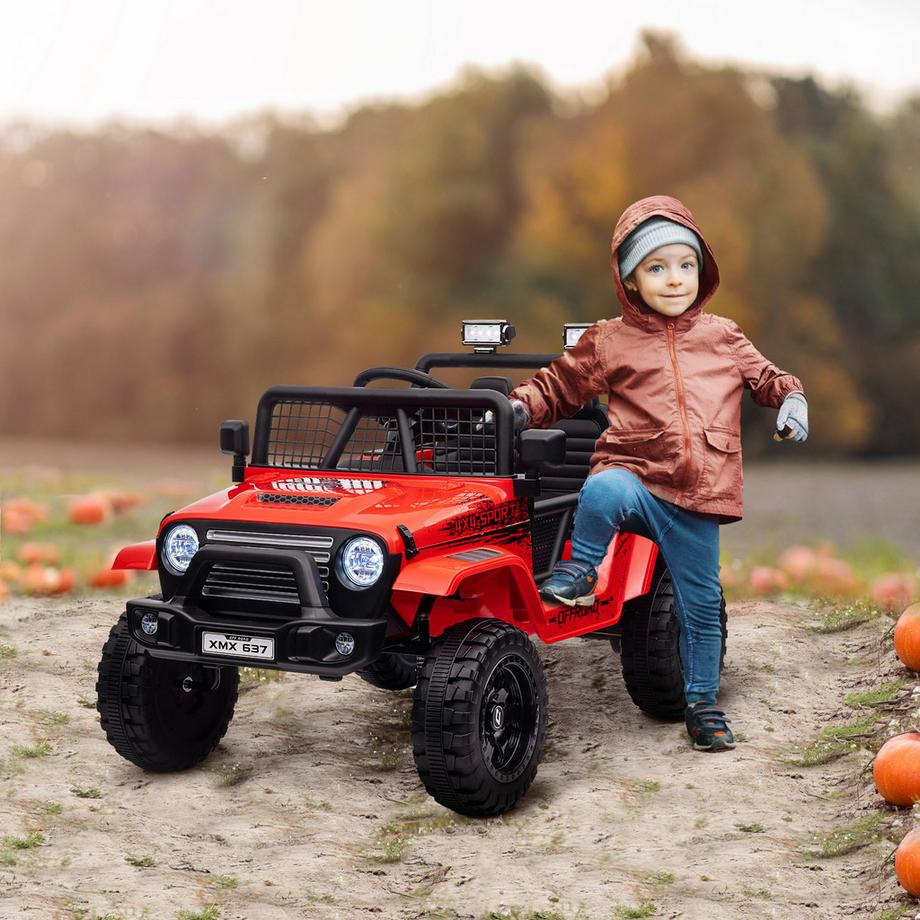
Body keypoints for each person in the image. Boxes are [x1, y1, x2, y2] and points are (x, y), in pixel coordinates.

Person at [508, 195, 808, 753]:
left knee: (700, 608)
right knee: (602, 487)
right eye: (657, 268)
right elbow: (559, 385)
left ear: (703, 269)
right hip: (638, 476)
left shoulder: (723, 336)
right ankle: (579, 572)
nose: (675, 280)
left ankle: (702, 704)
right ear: (630, 279)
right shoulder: (609, 339)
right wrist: (520, 407)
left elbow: (769, 378)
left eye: (685, 265)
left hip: (699, 496)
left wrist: (791, 400)